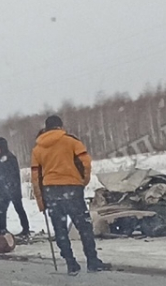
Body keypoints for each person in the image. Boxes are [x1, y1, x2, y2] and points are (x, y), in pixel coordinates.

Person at [31, 115, 108, 275]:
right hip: (72, 188)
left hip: (50, 191)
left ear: (46, 128)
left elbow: (35, 176)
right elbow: (85, 163)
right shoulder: (71, 141)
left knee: (60, 229)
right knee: (84, 226)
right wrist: (82, 181)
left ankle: (71, 262)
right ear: (60, 126)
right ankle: (92, 261)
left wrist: (40, 200)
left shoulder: (38, 149)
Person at [0, 137, 30, 238]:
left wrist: (10, 184)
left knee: (18, 208)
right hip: (4, 189)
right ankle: (3, 229)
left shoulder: (9, 157)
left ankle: (26, 229)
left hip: (13, 188)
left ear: (1, 147)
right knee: (2, 209)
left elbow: (12, 173)